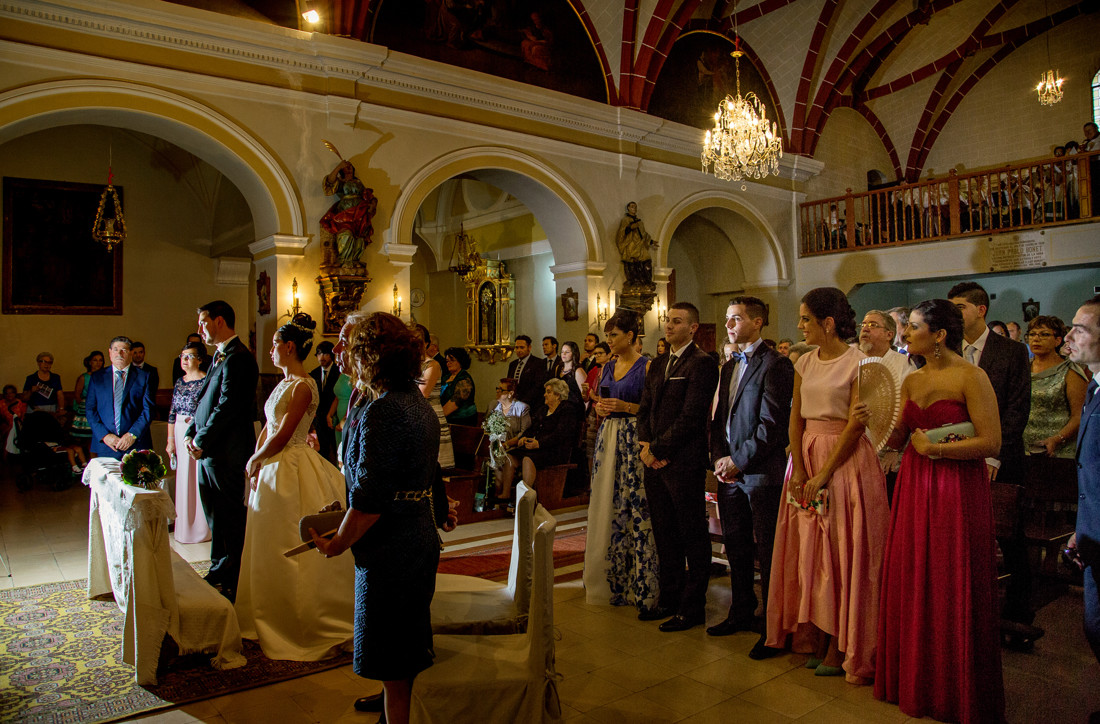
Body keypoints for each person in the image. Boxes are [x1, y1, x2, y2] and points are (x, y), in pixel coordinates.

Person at [870, 299, 1005, 722]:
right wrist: (874, 417)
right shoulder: (912, 379)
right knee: (915, 574)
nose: (905, 333)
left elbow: (991, 442)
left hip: (956, 488)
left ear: (940, 334)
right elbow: (898, 438)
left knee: (950, 576)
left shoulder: (972, 376)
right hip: (915, 485)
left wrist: (936, 450)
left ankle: (954, 687)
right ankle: (915, 679)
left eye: (913, 327)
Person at [310, 312, 442, 724]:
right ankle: (392, 709)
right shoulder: (414, 401)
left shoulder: (383, 409)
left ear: (370, 355)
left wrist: (337, 543)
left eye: (348, 346)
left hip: (392, 546)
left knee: (391, 651)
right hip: (416, 535)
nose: (340, 352)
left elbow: (371, 499)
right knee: (402, 648)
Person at [766, 287, 889, 683]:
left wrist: (824, 473)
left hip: (844, 460)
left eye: (806, 319)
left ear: (828, 323)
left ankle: (842, 642)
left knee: (840, 553)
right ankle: (815, 633)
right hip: (805, 455)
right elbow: (795, 418)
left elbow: (856, 424)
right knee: (809, 551)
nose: (800, 325)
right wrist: (801, 469)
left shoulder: (859, 363)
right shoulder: (803, 361)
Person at [236, 313, 354, 661]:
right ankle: (266, 608)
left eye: (274, 344)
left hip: (292, 464)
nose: (270, 350)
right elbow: (269, 426)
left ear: (289, 347)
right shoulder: (283, 383)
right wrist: (257, 458)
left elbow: (285, 434)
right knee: (267, 540)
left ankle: (299, 616)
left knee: (289, 537)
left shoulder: (304, 385)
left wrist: (257, 458)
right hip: (273, 464)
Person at [708, 297, 793, 659]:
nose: (729, 325)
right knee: (737, 546)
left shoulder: (776, 364)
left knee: (768, 552)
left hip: (759, 473)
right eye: (728, 319)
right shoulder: (729, 365)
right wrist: (718, 459)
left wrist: (738, 461)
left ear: (757, 322)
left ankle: (773, 628)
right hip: (728, 472)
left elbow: (772, 425)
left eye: (736, 319)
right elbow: (719, 419)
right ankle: (740, 610)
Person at [948, 281, 1032, 631]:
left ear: (980, 310)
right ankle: (966, 606)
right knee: (960, 535)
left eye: (960, 307)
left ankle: (1018, 612)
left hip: (1001, 457)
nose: (954, 314)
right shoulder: (947, 348)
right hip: (957, 454)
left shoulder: (1011, 351)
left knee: (1009, 537)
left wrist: (992, 455)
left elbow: (1017, 408)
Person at [636, 302, 720, 631]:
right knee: (664, 532)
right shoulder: (658, 363)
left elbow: (692, 416)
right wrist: (647, 446)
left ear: (693, 327)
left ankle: (693, 606)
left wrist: (659, 449)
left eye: (677, 321)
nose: (668, 326)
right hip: (654, 461)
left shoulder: (702, 363)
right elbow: (645, 409)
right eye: (667, 320)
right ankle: (668, 597)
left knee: (691, 533)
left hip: (683, 461)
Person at [185, 300, 259, 601]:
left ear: (219, 321)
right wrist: (191, 432)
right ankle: (218, 569)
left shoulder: (239, 357)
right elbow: (206, 400)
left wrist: (201, 440)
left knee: (229, 517)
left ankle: (232, 578)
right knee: (215, 516)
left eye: (203, 322)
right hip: (211, 451)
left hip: (227, 452)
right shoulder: (219, 356)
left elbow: (229, 406)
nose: (200, 328)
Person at [584, 310, 657, 612]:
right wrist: (601, 409)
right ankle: (612, 580)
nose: (610, 341)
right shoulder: (607, 367)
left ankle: (642, 583)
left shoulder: (647, 366)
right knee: (608, 503)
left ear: (630, 335)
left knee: (635, 504)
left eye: (614, 335)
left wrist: (626, 406)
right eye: (607, 336)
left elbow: (653, 410)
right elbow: (601, 401)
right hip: (609, 436)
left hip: (634, 436)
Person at [1063, 295, 1100, 670]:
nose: (1068, 336)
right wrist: (1082, 528)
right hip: (1093, 533)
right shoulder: (1094, 387)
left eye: (1080, 329)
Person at [858, 310, 913, 503]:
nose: (865, 329)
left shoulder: (903, 365)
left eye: (873, 325)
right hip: (855, 451)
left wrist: (894, 449)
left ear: (889, 334)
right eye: (863, 324)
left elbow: (907, 413)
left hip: (888, 455)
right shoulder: (853, 362)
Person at [1023, 315, 1088, 458]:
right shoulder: (1021, 367)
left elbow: (1079, 416)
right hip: (1023, 449)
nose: (1036, 339)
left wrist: (1057, 439)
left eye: (1044, 334)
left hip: (1060, 451)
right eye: (1032, 334)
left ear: (1058, 340)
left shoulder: (1070, 371)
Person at [166, 341, 210, 544]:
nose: (184, 360)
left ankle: (201, 529)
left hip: (197, 430)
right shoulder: (179, 382)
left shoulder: (206, 380)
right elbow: (172, 412)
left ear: (199, 359)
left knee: (197, 476)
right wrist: (170, 441)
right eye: (182, 356)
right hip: (179, 430)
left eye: (189, 356)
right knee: (183, 478)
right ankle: (183, 528)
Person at [85, 337, 156, 460]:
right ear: (110, 352)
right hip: (107, 444)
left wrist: (132, 434)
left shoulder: (144, 377)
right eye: (115, 349)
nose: (119, 354)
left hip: (136, 443)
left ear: (131, 353)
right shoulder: (97, 377)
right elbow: (90, 410)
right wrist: (105, 436)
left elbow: (148, 410)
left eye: (124, 350)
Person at [507, 379, 580, 491]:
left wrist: (539, 443)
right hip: (538, 449)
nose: (545, 394)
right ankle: (505, 494)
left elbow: (560, 434)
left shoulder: (567, 410)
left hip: (555, 451)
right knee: (510, 456)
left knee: (528, 459)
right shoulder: (543, 409)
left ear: (558, 395)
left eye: (548, 392)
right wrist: (523, 438)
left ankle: (526, 496)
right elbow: (532, 428)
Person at [413, 324, 455, 469]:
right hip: (414, 417)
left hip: (429, 415)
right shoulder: (409, 364)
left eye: (418, 341)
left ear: (426, 343)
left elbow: (422, 394)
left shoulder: (432, 365)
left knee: (433, 468)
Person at [488, 378, 533, 507]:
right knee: (494, 456)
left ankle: (504, 494)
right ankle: (495, 495)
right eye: (497, 388)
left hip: (516, 448)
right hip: (498, 446)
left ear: (510, 393)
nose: (497, 391)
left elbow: (524, 433)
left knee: (506, 458)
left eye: (501, 390)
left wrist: (507, 444)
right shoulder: (495, 407)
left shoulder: (522, 408)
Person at [309, 340, 340, 464]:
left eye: (325, 354)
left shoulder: (339, 371)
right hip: (319, 417)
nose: (321, 357)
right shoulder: (314, 373)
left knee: (336, 449)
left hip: (334, 415)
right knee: (322, 450)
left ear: (331, 355)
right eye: (319, 354)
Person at [583, 341, 610, 471]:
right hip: (593, 413)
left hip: (607, 413)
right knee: (591, 449)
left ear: (609, 354)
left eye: (600, 353)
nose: (597, 356)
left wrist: (594, 396)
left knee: (606, 449)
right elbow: (586, 396)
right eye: (596, 354)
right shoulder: (595, 371)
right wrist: (586, 393)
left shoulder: (614, 370)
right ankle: (591, 480)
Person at [616, 201, 657, 287]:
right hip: (631, 245)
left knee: (647, 261)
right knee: (632, 263)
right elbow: (621, 233)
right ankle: (634, 281)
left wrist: (651, 241)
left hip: (641, 245)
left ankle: (647, 281)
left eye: (635, 207)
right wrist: (630, 228)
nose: (634, 208)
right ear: (628, 208)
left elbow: (643, 234)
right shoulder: (625, 220)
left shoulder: (640, 222)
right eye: (632, 206)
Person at [71, 350, 104, 444]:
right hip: (85, 409)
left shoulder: (105, 376)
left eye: (100, 360)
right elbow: (77, 395)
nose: (98, 363)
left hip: (101, 407)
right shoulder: (84, 377)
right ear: (90, 362)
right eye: (95, 360)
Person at [507, 335, 547, 411]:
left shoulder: (538, 363)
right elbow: (508, 383)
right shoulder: (512, 364)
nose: (519, 350)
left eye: (522, 347)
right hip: (513, 404)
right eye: (517, 348)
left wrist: (523, 402)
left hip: (531, 405)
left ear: (529, 348)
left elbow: (538, 386)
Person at [440, 347, 477, 426]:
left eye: (452, 360)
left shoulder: (464, 379)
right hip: (445, 418)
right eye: (447, 361)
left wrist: (436, 418)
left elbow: (455, 403)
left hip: (461, 422)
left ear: (461, 361)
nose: (448, 363)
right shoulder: (446, 377)